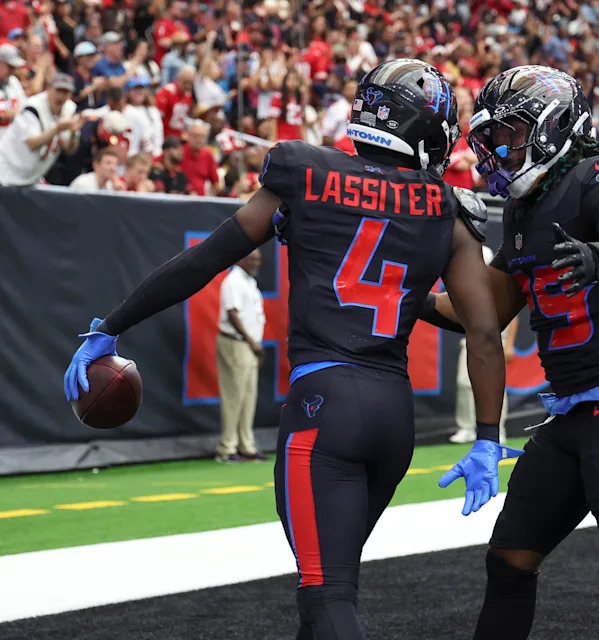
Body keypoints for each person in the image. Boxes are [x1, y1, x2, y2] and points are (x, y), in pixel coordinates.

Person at [63, 58, 506, 640]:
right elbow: (483, 329)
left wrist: (113, 324)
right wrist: (487, 437)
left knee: (327, 592)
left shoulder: (305, 171)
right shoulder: (447, 211)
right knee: (326, 586)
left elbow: (203, 261)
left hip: (325, 411)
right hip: (392, 416)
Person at [422, 65, 599, 640]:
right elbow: (485, 312)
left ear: (551, 127)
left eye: (512, 133)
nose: (501, 148)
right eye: (494, 137)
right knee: (507, 562)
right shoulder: (528, 205)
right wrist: (404, 294)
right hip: (572, 411)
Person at [449, 245, 518, 444]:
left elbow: (513, 318)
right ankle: (466, 427)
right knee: (464, 382)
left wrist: (509, 345)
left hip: (498, 339)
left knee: (495, 385)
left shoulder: (499, 287)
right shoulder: (470, 289)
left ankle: (497, 429)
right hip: (472, 338)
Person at [216, 249, 268, 463]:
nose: (256, 263)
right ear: (241, 258)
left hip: (249, 346)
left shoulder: (249, 281)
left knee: (248, 397)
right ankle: (227, 448)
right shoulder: (233, 281)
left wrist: (255, 344)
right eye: (252, 259)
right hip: (235, 342)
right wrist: (252, 341)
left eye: (258, 260)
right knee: (233, 396)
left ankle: (246, 446)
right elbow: (232, 313)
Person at [0, 72, 80, 186]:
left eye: (66, 92)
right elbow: (32, 144)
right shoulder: (33, 107)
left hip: (30, 177)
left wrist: (73, 133)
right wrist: (57, 129)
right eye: (58, 90)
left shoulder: (69, 109)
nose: (61, 96)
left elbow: (70, 149)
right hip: (5, 172)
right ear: (49, 89)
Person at [0, 42, 26, 139]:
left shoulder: (13, 82)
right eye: (10, 67)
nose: (13, 71)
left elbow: (24, 109)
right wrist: (6, 115)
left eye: (14, 68)